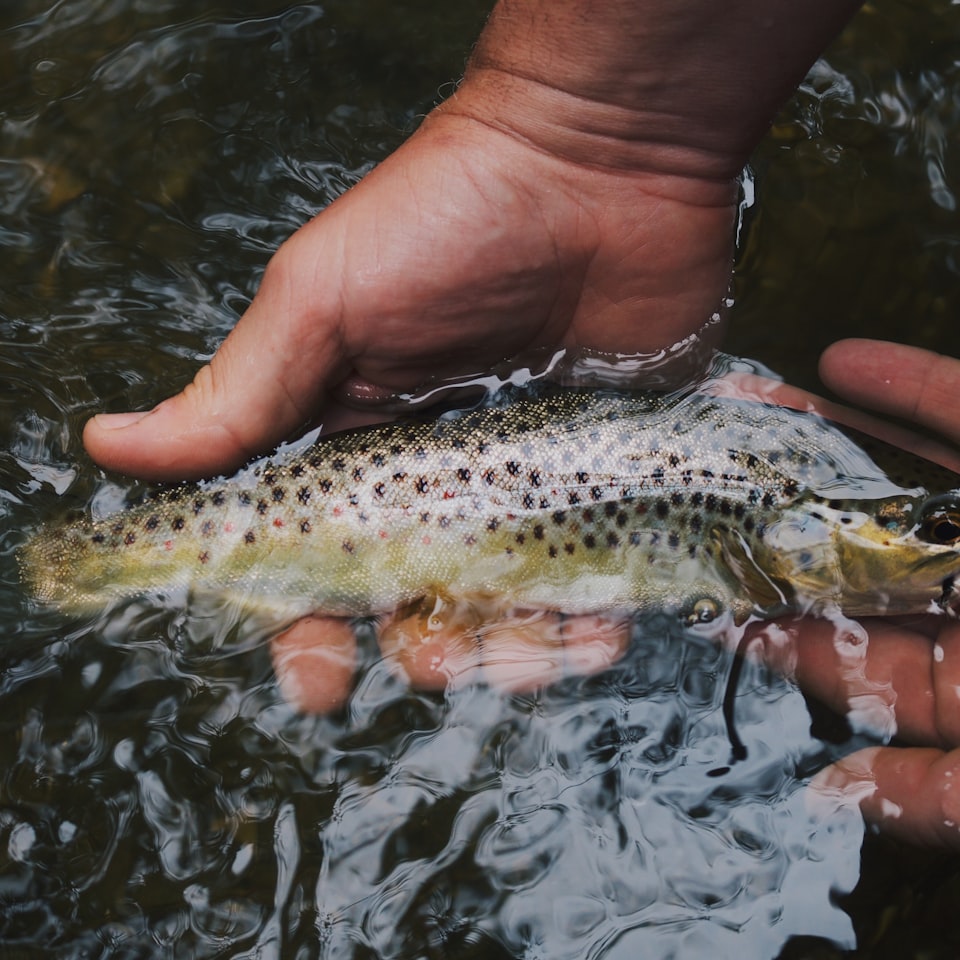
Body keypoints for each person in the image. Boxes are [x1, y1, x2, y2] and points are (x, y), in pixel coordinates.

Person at [81, 0, 960, 846]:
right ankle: (86, 571)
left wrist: (582, 129)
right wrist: (574, 137)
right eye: (940, 527)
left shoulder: (775, 502)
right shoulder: (782, 510)